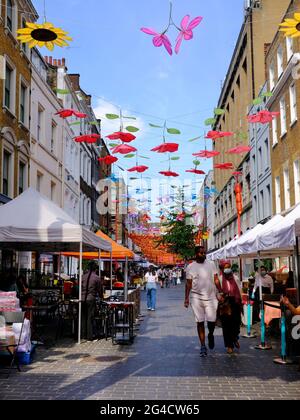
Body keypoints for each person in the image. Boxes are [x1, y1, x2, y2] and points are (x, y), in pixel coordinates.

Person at [185, 246, 222, 357]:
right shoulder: (191, 267)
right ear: (196, 254)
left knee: (211, 321)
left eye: (204, 253)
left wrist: (220, 291)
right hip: (196, 298)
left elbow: (216, 279)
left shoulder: (211, 264)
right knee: (200, 322)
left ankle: (210, 334)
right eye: (201, 253)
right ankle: (202, 345)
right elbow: (188, 284)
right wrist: (186, 298)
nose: (203, 254)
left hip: (211, 297)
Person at [219, 262, 243, 354]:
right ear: (222, 269)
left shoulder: (235, 278)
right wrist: (220, 297)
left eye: (229, 267)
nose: (228, 269)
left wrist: (241, 301)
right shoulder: (220, 279)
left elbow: (239, 290)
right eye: (226, 267)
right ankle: (229, 345)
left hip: (235, 301)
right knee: (226, 325)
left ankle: (235, 337)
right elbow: (217, 291)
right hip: (225, 302)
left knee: (236, 322)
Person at [81, 261, 103, 341]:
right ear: (96, 269)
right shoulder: (97, 277)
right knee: (90, 317)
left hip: (82, 298)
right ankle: (89, 336)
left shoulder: (83, 276)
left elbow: (78, 287)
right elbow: (100, 290)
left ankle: (83, 335)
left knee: (83, 316)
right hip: (91, 298)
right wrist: (101, 297)